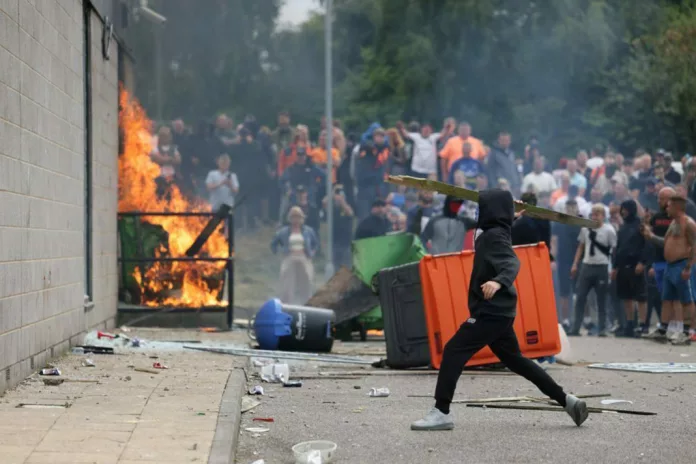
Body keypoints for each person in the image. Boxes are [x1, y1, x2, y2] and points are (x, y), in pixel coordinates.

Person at [410, 189, 588, 431]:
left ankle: (441, 411)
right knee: (517, 361)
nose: (477, 211)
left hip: (491, 311)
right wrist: (512, 215)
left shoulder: (494, 236)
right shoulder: (499, 230)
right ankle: (567, 401)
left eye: (482, 208)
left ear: (490, 212)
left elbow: (511, 261)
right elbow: (500, 229)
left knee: (453, 350)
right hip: (500, 313)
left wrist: (498, 280)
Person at [642, 195, 696, 345]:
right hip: (669, 265)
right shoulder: (673, 223)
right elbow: (665, 243)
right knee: (666, 299)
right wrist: (651, 236)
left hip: (682, 265)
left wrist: (688, 267)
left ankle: (686, 333)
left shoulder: (689, 224)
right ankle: (663, 331)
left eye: (669, 205)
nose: (666, 208)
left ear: (678, 207)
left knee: (687, 300)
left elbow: (694, 246)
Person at [568, 205, 616, 336]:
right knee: (580, 297)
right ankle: (575, 327)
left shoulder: (609, 231)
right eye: (593, 214)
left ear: (603, 216)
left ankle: (602, 328)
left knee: (601, 299)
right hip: (587, 265)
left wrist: (613, 267)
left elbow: (613, 250)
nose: (594, 217)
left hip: (602, 266)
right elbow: (581, 247)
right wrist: (575, 264)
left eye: (597, 214)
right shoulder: (585, 229)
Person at [612, 200, 649, 337]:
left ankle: (642, 325)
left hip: (636, 266)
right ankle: (629, 324)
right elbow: (619, 248)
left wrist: (642, 262)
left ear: (631, 209)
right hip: (623, 267)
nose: (623, 212)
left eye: (625, 209)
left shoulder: (641, 225)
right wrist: (615, 267)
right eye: (622, 209)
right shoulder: (622, 227)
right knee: (626, 296)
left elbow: (646, 245)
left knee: (640, 297)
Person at [270, 207, 319, 305]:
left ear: (302, 218)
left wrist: (312, 253)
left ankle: (306, 304)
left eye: (298, 217)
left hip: (304, 257)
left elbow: (316, 243)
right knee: (287, 283)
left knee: (306, 281)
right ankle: (287, 305)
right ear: (290, 218)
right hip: (290, 257)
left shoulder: (308, 231)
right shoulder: (283, 231)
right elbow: (273, 244)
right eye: (293, 217)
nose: (296, 220)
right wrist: (281, 252)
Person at [642, 187, 674, 339]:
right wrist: (646, 222)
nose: (659, 201)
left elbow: (668, 242)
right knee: (664, 296)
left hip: (673, 261)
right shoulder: (656, 217)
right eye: (659, 198)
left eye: (661, 198)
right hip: (658, 261)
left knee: (676, 297)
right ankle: (664, 327)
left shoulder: (677, 218)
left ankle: (678, 327)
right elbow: (648, 239)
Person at [552, 200, 581, 329]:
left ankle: (582, 320)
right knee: (564, 292)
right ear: (565, 208)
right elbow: (554, 242)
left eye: (573, 207)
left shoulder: (581, 224)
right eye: (568, 207)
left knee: (579, 291)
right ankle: (565, 320)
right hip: (563, 261)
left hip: (579, 260)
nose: (571, 209)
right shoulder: (559, 224)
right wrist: (552, 259)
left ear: (577, 208)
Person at [355, 126, 390, 220]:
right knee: (364, 215)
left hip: (378, 186)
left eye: (382, 136)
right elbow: (366, 147)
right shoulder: (366, 147)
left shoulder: (385, 149)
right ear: (373, 137)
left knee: (379, 213)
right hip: (365, 186)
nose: (380, 138)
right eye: (377, 136)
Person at [323, 185, 355, 268]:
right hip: (335, 242)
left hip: (346, 243)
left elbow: (350, 213)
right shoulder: (332, 209)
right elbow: (324, 202)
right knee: (336, 266)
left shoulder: (347, 207)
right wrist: (332, 193)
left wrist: (342, 201)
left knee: (347, 266)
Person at [149, 126, 182, 201]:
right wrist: (170, 159)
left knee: (171, 199)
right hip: (159, 179)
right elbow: (157, 159)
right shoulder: (155, 148)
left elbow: (179, 160)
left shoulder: (174, 148)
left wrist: (166, 159)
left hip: (172, 178)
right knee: (159, 200)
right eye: (164, 135)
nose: (167, 137)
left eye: (168, 135)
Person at [485, 131, 520, 196]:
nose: (504, 142)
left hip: (512, 188)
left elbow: (514, 170)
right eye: (503, 140)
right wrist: (494, 187)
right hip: (500, 187)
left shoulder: (512, 154)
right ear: (499, 140)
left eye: (506, 140)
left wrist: (517, 184)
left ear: (509, 141)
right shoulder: (494, 154)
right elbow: (490, 172)